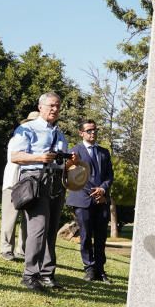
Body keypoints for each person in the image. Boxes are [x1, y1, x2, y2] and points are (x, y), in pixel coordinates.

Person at [8, 92, 79, 291]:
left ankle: (48, 274)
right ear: (41, 107)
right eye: (51, 106)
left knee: (50, 231)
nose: (55, 109)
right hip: (36, 181)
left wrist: (69, 161)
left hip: (56, 183)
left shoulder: (60, 133)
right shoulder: (27, 128)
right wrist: (41, 158)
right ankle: (30, 275)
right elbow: (15, 156)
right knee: (38, 229)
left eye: (58, 106)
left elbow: (60, 162)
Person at [66, 119, 115, 283]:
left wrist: (103, 189)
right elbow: (73, 176)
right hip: (82, 199)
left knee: (101, 237)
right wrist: (92, 191)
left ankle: (101, 271)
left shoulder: (104, 152)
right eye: (89, 131)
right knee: (86, 236)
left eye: (94, 130)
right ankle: (89, 269)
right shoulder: (74, 152)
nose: (93, 133)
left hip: (101, 199)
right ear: (81, 133)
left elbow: (109, 175)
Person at [0, 111, 37, 261]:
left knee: (27, 219)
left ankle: (22, 250)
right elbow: (15, 159)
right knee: (10, 218)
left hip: (29, 183)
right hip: (13, 183)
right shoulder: (18, 138)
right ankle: (6, 249)